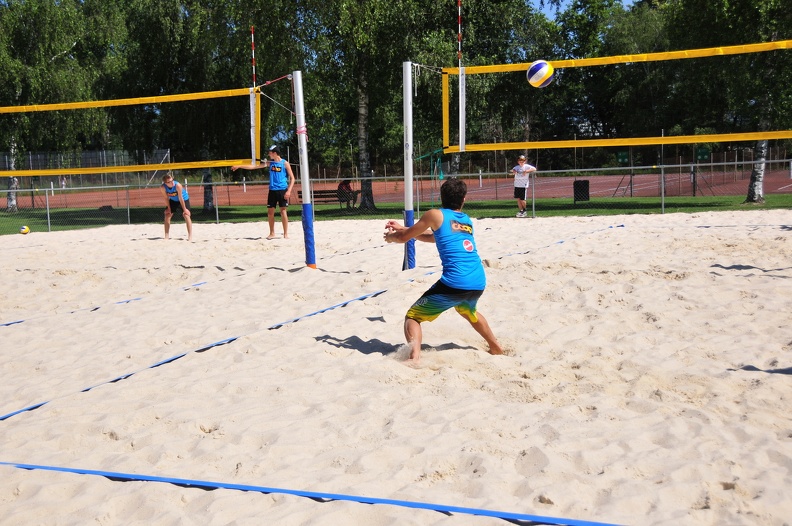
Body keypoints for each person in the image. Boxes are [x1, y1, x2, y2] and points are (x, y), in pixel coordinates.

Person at [383, 177, 504, 363]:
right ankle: (495, 346)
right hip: (478, 280)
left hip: (456, 282)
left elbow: (404, 238)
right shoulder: (466, 221)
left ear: (441, 196)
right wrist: (404, 227)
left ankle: (414, 357)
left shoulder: (435, 214)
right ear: (464, 199)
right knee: (468, 311)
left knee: (412, 316)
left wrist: (392, 237)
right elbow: (435, 237)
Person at [232, 145, 295, 239]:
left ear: (275, 153)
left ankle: (285, 234)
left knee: (283, 211)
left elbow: (293, 178)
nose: (269, 154)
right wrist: (240, 166)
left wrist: (289, 191)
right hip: (272, 190)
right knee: (270, 212)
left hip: (282, 190)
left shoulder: (284, 163)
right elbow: (254, 167)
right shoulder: (270, 163)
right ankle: (272, 233)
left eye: (270, 152)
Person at [160, 172, 193, 241]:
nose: (172, 183)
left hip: (183, 199)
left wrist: (184, 209)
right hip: (173, 200)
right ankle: (166, 236)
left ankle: (190, 236)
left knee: (186, 215)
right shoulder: (163, 187)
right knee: (167, 215)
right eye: (169, 182)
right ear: (165, 183)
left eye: (172, 180)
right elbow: (166, 198)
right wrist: (169, 208)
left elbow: (181, 198)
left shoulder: (178, 185)